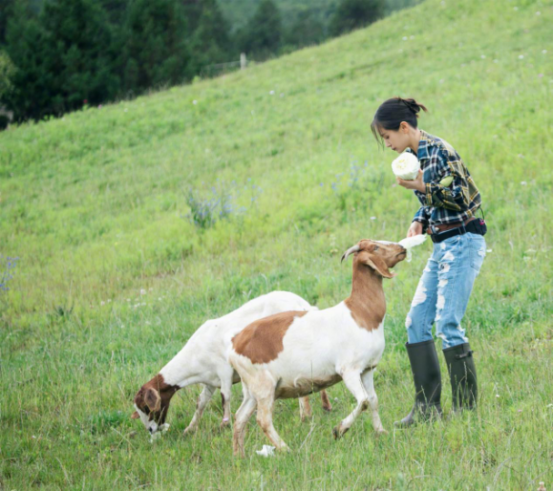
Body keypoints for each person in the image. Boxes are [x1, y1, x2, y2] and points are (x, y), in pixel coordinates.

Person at [371, 97, 487, 426]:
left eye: (388, 136)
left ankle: (465, 411)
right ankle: (427, 410)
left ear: (404, 128)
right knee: (415, 322)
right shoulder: (413, 156)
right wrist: (420, 217)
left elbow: (462, 196)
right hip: (442, 245)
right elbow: (433, 198)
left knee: (448, 324)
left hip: (463, 240)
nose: (388, 144)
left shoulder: (440, 151)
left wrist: (422, 186)